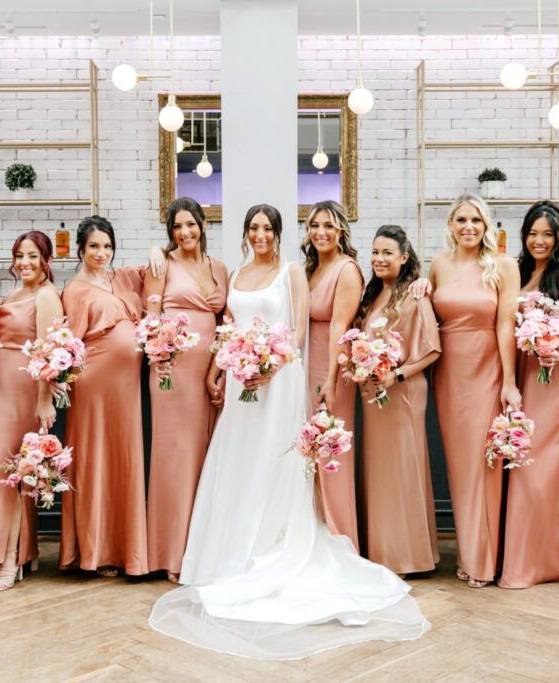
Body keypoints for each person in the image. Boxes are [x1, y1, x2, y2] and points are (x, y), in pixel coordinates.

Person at [149, 204, 429, 660]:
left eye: (267, 228)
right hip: (242, 377)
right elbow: (229, 327)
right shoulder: (235, 273)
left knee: (273, 462)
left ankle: (274, 543)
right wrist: (227, 368)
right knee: (238, 463)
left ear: (277, 233)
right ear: (245, 234)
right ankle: (229, 551)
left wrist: (268, 366)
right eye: (253, 227)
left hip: (278, 381)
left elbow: (298, 334)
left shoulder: (293, 272)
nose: (260, 234)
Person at [410, 192, 521, 588]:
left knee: (483, 464)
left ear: (487, 225)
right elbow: (429, 316)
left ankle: (483, 561)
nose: (469, 227)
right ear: (450, 226)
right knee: (460, 466)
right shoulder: (438, 264)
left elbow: (506, 324)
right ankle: (472, 551)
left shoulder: (504, 266)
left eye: (476, 220)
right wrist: (422, 285)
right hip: (449, 373)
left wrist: (509, 382)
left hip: (487, 368)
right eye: (461, 220)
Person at [498, 201, 559, 589]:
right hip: (522, 372)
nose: (539, 241)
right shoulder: (516, 271)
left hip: (557, 376)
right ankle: (525, 555)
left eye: (547, 234)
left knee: (547, 463)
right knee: (523, 461)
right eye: (533, 233)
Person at [143, 198, 228, 583]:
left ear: (203, 225)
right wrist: (157, 355)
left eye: (190, 224)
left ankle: (204, 550)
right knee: (176, 457)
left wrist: (220, 369)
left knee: (206, 456)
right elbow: (150, 315)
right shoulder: (163, 264)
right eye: (177, 227)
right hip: (172, 371)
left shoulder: (219, 268)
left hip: (209, 373)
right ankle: (173, 552)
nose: (185, 233)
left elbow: (226, 321)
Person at [58, 216, 148, 577]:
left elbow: (158, 267)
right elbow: (68, 342)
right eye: (94, 246)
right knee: (95, 458)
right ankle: (96, 552)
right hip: (93, 383)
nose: (101, 253)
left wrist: (157, 247)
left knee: (123, 457)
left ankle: (126, 550)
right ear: (81, 248)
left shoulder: (122, 277)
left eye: (107, 246)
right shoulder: (73, 290)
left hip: (126, 386)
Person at [0, 231, 62, 591]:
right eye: (19, 256)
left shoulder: (46, 296)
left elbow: (47, 352)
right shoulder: (13, 294)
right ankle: (28, 550)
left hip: (26, 392)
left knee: (5, 469)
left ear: (46, 261)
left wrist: (44, 400)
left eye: (33, 256)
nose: (24, 262)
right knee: (15, 473)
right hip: (0, 391)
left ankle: (8, 560)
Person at [357, 225, 441, 575]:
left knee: (402, 471)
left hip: (403, 391)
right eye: (375, 252)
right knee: (380, 472)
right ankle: (381, 550)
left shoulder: (414, 295)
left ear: (404, 257)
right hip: (374, 394)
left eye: (387, 253)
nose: (379, 259)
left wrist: (397, 375)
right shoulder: (375, 294)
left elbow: (433, 350)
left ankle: (406, 556)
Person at [302, 200, 364, 551]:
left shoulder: (347, 270)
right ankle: (313, 536)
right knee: (311, 452)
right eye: (314, 225)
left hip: (331, 370)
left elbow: (340, 328)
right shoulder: (312, 269)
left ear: (340, 230)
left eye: (328, 225)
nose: (320, 232)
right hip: (307, 369)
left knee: (331, 454)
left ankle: (340, 540)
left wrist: (330, 379)